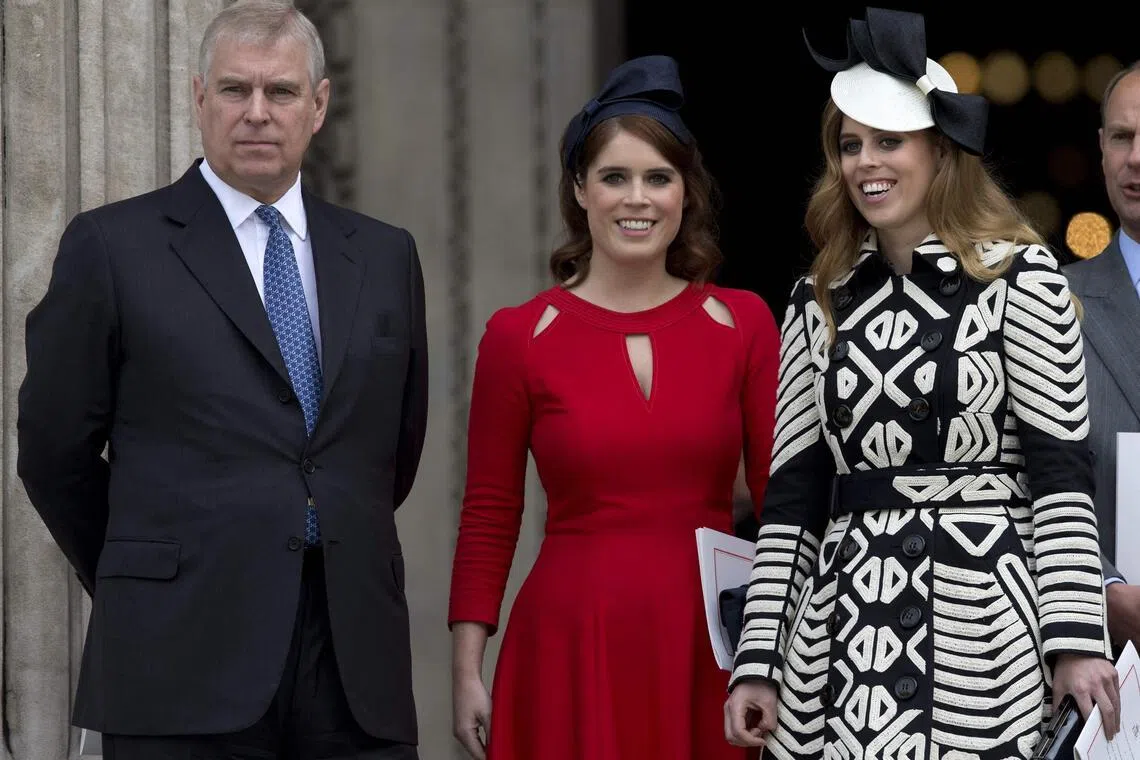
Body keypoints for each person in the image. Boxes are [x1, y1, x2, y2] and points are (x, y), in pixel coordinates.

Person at [16, 2, 427, 758]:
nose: (258, 114)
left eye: (281, 93)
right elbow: (51, 449)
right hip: (178, 657)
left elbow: (389, 454)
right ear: (198, 98)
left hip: (350, 662)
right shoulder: (113, 247)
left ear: (320, 104)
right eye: (236, 91)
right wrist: (151, 567)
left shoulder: (385, 257)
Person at [724, 8, 1120, 757]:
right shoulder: (818, 298)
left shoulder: (1020, 277)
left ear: (941, 151)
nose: (865, 162)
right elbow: (794, 499)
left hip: (983, 644)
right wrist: (759, 663)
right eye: (850, 145)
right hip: (841, 646)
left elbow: (1062, 473)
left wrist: (1075, 639)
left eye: (888, 141)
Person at [447, 55, 779, 760]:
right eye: (615, 178)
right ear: (580, 189)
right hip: (567, 643)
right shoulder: (519, 336)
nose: (638, 199)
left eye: (659, 178)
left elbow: (784, 503)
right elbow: (489, 511)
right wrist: (467, 669)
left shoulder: (744, 323)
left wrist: (785, 652)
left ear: (686, 193)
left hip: (709, 645)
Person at [1064, 61, 1140, 654]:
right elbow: (1023, 479)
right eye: (1122, 137)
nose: (1136, 158)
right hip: (1111, 664)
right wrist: (1103, 586)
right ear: (1101, 148)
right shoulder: (1051, 301)